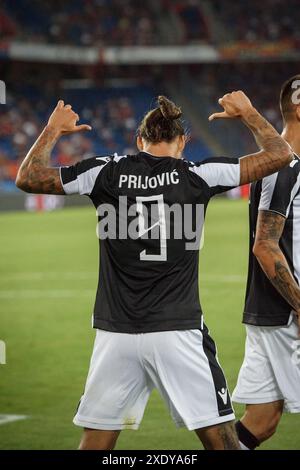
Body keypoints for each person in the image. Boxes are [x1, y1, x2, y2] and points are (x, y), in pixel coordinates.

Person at [16, 92, 293, 450]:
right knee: (223, 444)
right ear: (182, 141)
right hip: (178, 330)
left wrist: (53, 129)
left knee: (96, 443)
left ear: (138, 140)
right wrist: (250, 114)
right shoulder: (200, 175)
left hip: (115, 333)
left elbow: (28, 177)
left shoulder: (105, 172)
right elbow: (281, 155)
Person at [232, 76, 300, 450]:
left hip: (268, 312)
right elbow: (265, 245)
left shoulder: (286, 162)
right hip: (286, 317)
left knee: (261, 421)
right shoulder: (285, 166)